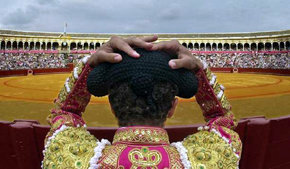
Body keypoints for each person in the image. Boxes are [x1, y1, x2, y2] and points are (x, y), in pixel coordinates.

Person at [42, 35, 242, 169]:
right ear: (173, 107)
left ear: (111, 106)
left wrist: (89, 64)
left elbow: (65, 114)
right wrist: (199, 70)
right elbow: (221, 120)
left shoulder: (74, 156)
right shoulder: (206, 159)